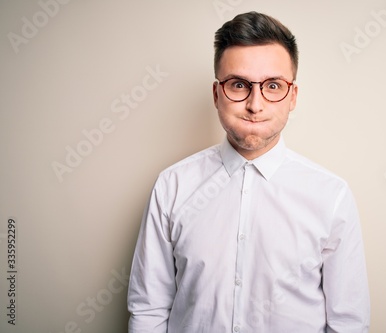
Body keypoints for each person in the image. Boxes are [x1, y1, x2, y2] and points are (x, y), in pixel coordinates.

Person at [127, 11, 370, 333]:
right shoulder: (172, 186)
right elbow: (149, 309)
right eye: (239, 84)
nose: (255, 104)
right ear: (216, 94)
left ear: (292, 96)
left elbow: (348, 322)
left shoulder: (331, 195)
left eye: (272, 85)